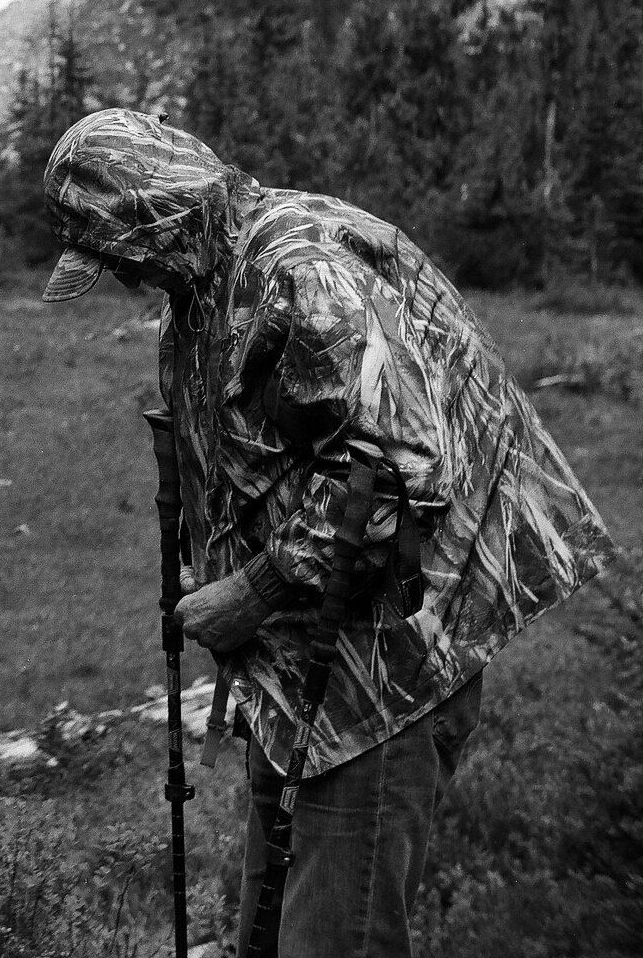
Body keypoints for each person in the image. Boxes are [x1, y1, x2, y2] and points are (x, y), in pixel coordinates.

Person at [41, 108, 611, 958]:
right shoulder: (201, 289)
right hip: (300, 667)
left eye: (121, 254)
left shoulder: (303, 273)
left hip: (384, 670)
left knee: (330, 942)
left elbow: (398, 469)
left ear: (160, 217)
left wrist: (252, 591)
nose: (124, 278)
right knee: (266, 939)